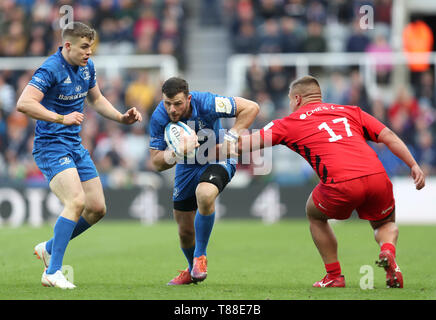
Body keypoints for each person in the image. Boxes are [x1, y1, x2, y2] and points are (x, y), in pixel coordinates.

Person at [235, 75, 425, 288]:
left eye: (290, 101)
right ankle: (387, 251)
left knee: (314, 213)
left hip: (342, 183)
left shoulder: (289, 123)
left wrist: (211, 146)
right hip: (376, 176)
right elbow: (388, 135)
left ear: (297, 99)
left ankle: (334, 276)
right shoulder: (350, 111)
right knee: (385, 223)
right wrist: (413, 164)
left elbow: (244, 146)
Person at [16, 22, 142, 289]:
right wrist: (61, 118)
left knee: (97, 208)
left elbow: (96, 100)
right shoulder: (50, 68)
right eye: (84, 47)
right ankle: (53, 271)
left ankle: (49, 248)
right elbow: (24, 103)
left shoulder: (87, 67)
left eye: (92, 47)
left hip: (74, 145)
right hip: (51, 146)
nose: (89, 52)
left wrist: (121, 117)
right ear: (68, 45)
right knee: (75, 201)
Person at [148, 77, 259, 285]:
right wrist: (175, 153)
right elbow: (156, 162)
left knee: (205, 193)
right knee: (185, 230)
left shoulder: (208, 102)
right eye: (167, 103)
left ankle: (200, 257)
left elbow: (251, 107)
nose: (172, 109)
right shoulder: (159, 116)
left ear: (188, 99)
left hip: (219, 157)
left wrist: (233, 136)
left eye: (178, 103)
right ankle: (192, 271)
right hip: (187, 166)